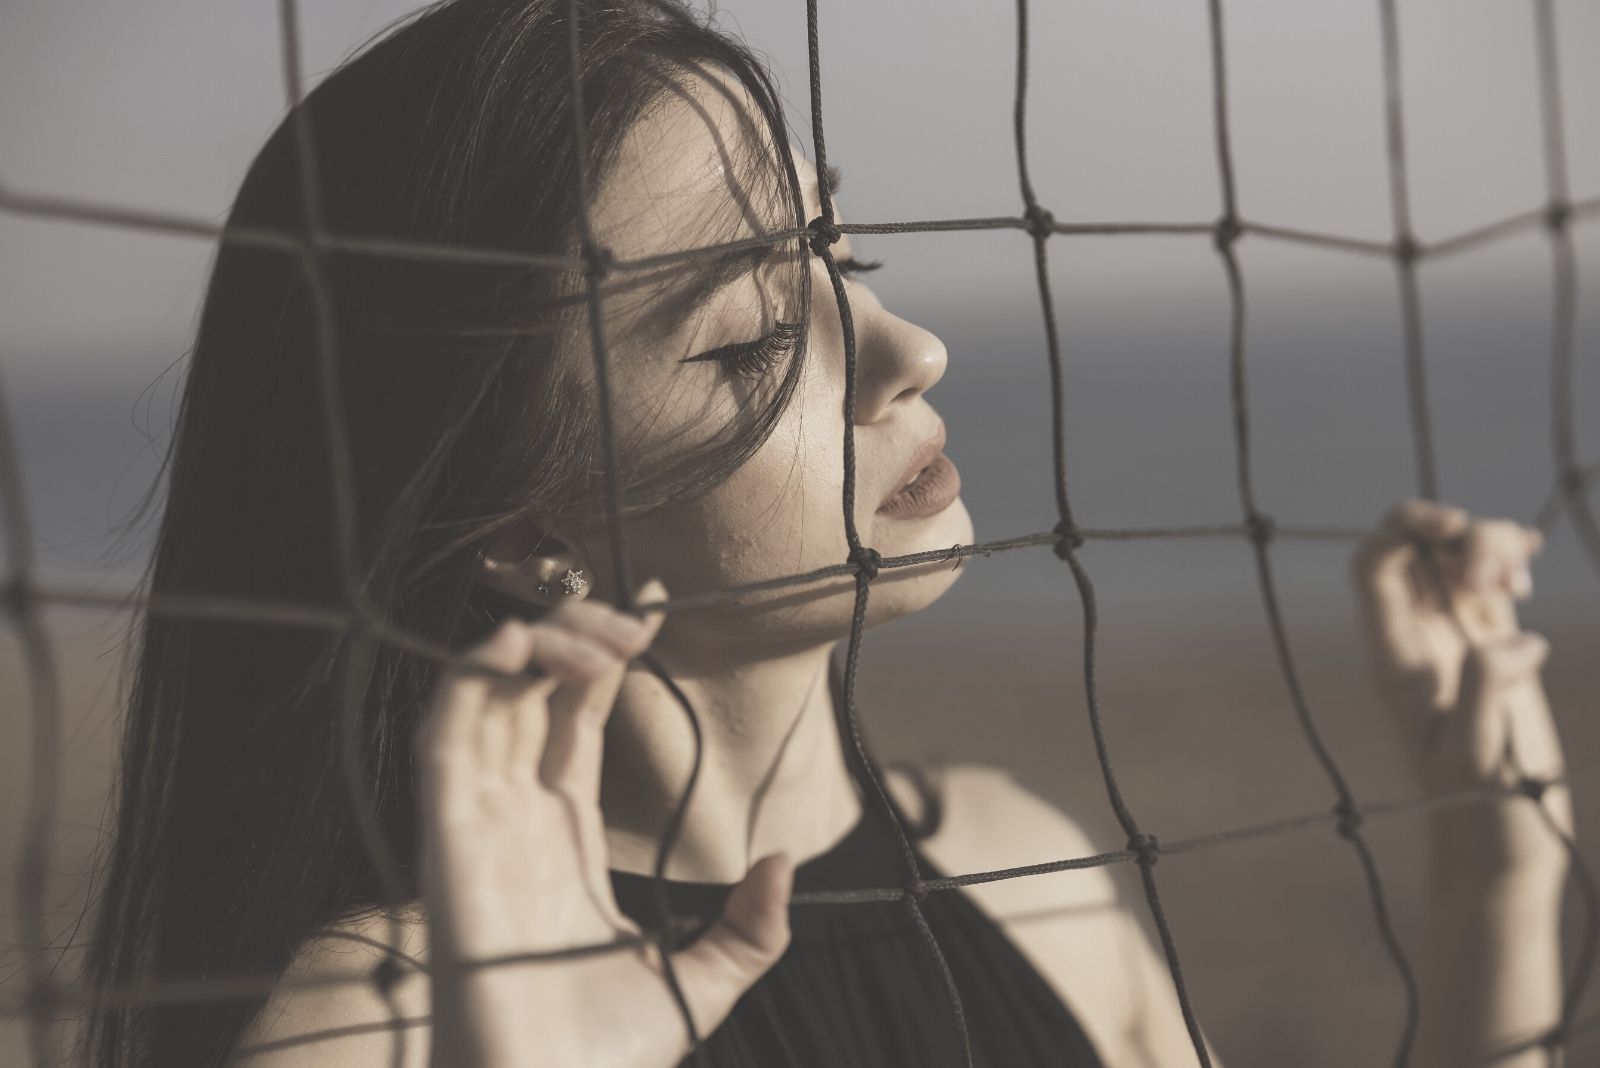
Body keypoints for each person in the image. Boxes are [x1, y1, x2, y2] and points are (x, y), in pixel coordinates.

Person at [78, 0, 1573, 1065]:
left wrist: (1493, 868)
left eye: (840, 250)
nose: (907, 347)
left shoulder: (1026, 870)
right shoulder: (387, 1022)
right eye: (748, 340)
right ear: (508, 525)